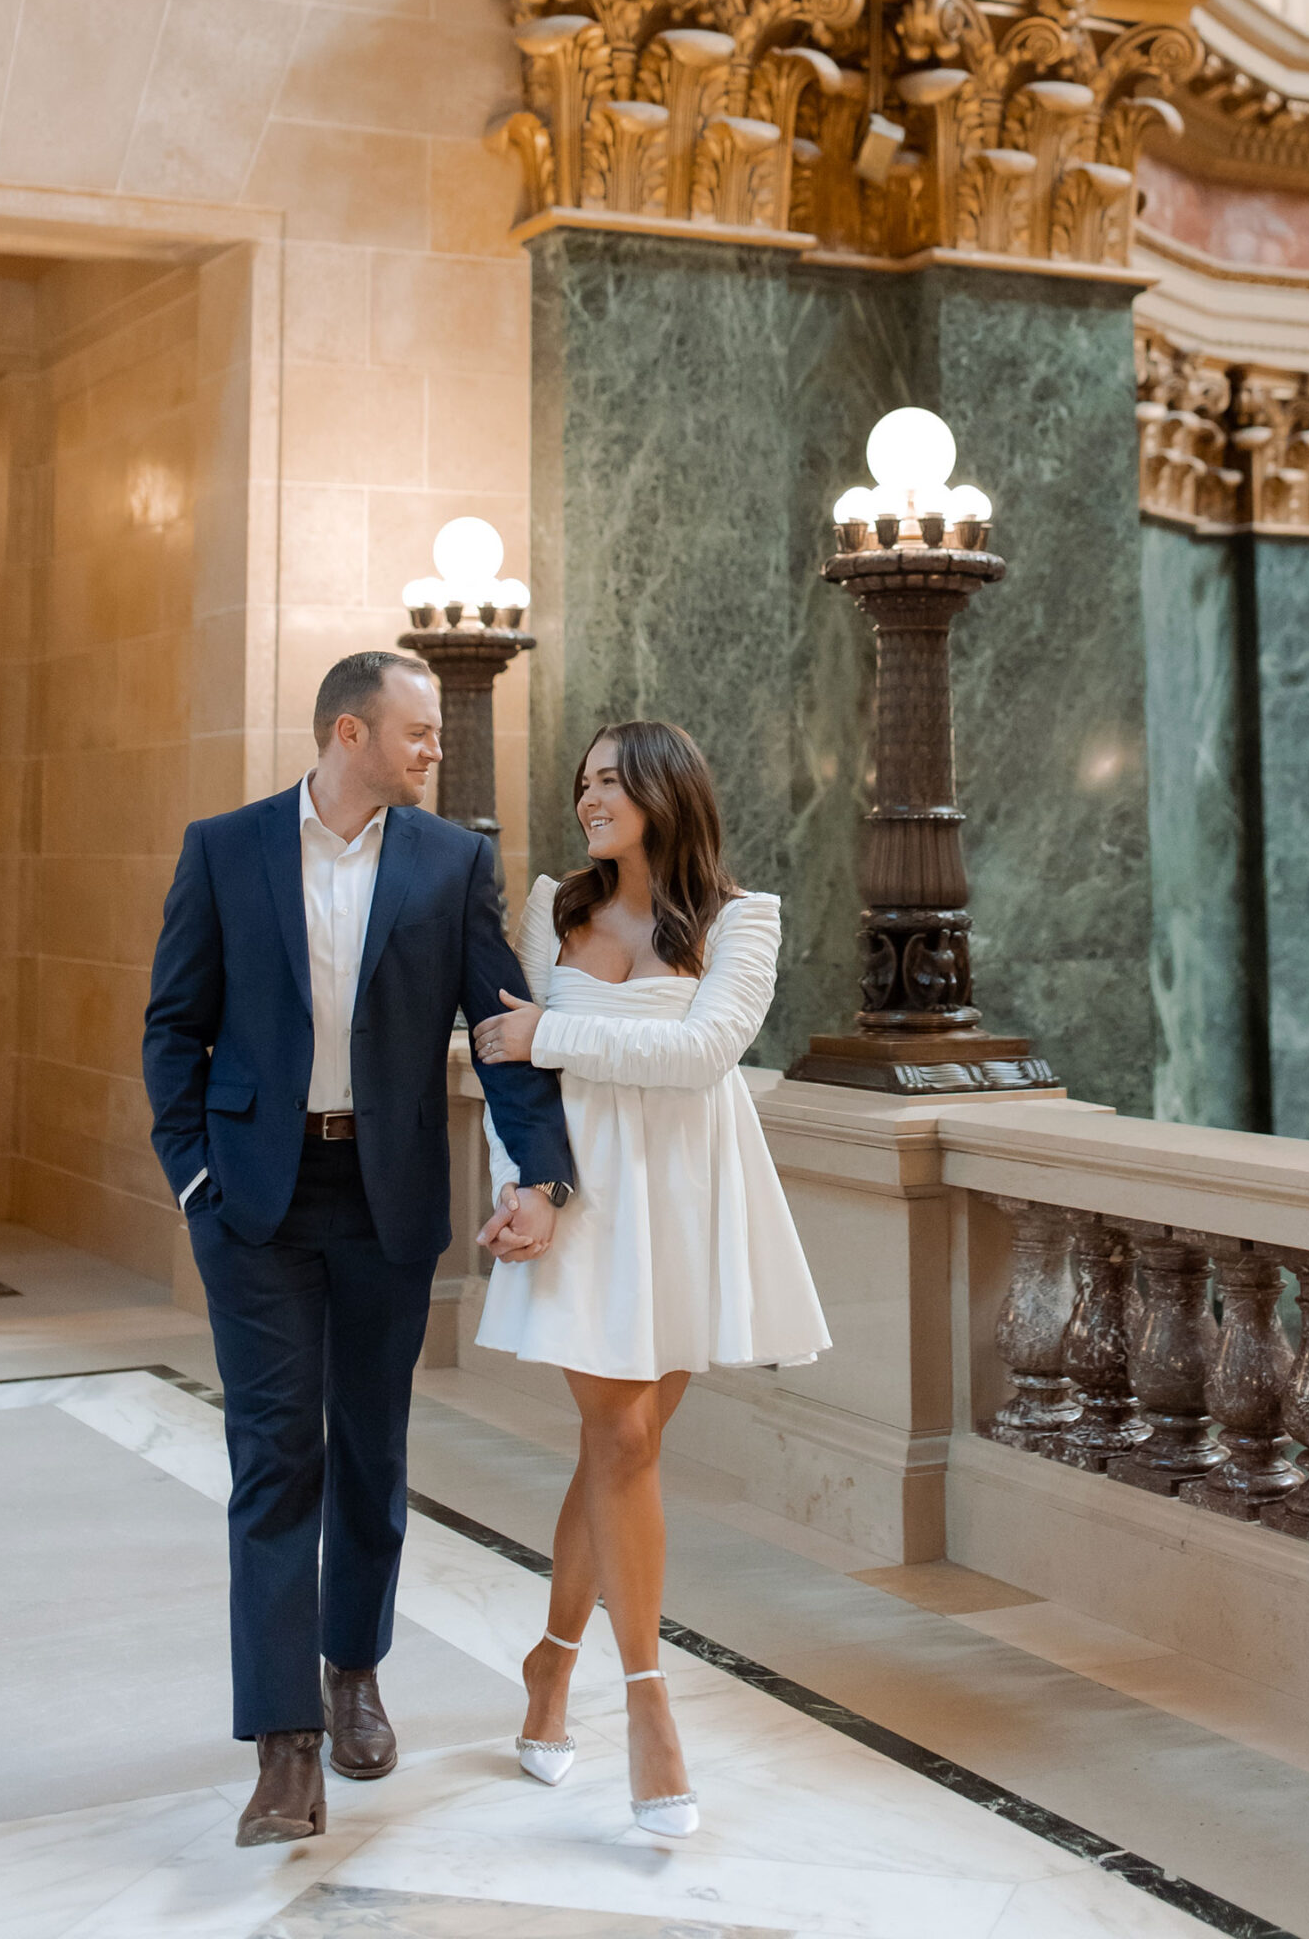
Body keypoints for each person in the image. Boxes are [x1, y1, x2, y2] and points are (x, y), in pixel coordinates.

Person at [142, 651, 572, 1847]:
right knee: (275, 1457)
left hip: (386, 1197)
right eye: (420, 732)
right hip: (255, 1201)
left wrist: (537, 1172)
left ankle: (353, 1673)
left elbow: (500, 1033)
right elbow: (174, 1026)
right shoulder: (225, 849)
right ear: (350, 731)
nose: (438, 749)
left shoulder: (451, 860)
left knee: (371, 1451)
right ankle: (283, 1746)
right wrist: (194, 1175)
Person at [472, 718, 830, 1840]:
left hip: (685, 1207)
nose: (590, 797)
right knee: (621, 1440)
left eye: (613, 781)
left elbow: (703, 1054)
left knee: (619, 1447)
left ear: (670, 791)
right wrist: (527, 1187)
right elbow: (506, 1072)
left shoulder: (740, 919)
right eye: (583, 782)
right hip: (584, 1203)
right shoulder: (552, 911)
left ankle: (549, 1661)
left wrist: (552, 1037)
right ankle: (649, 1706)